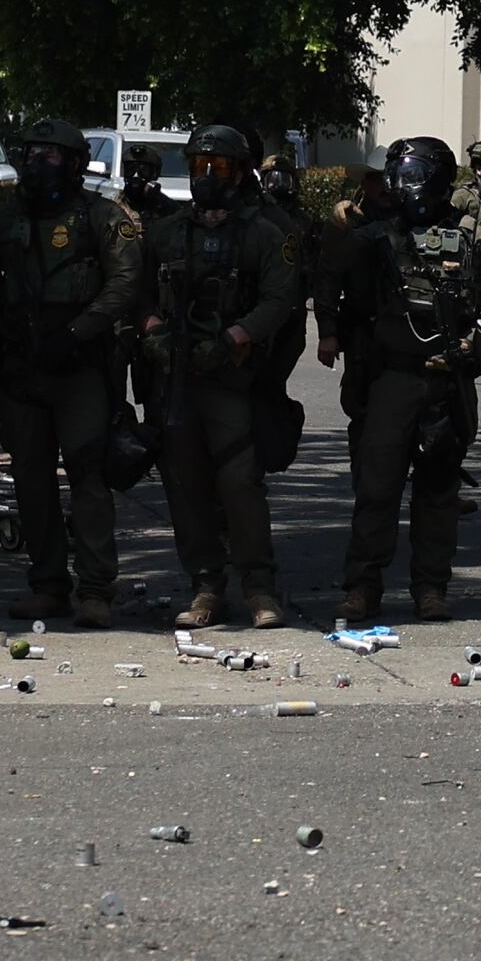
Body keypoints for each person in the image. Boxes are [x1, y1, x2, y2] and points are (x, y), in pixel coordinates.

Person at [329, 134, 481, 621]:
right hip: (391, 378)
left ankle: (431, 587)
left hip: (447, 381)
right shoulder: (373, 239)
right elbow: (333, 291)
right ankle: (362, 587)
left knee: (437, 492)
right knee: (377, 490)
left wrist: (473, 346)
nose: (400, 186)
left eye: (410, 176)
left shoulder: (475, 237)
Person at [0, 119, 145, 624]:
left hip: (79, 366)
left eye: (49, 155)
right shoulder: (4, 217)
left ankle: (95, 589)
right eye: (31, 153)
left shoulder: (103, 217)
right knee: (30, 476)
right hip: (22, 366)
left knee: (88, 474)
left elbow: (125, 282)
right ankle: (48, 583)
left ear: (73, 164)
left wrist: (76, 333)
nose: (37, 163)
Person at [140, 120, 303, 628]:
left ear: (241, 173)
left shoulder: (263, 233)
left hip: (235, 381)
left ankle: (259, 588)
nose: (208, 176)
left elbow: (282, 298)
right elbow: (136, 288)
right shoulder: (167, 233)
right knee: (187, 488)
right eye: (199, 166)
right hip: (179, 380)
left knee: (240, 486)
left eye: (221, 167)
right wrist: (152, 329)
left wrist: (239, 335)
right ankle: (206, 586)